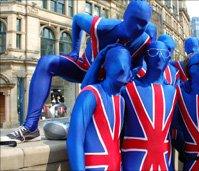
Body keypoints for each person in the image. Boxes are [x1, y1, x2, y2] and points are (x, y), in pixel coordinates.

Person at [3, 0, 152, 143]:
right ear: (125, 16)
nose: (138, 27)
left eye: (143, 23)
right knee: (46, 62)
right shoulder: (102, 26)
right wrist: (74, 51)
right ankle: (31, 126)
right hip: (85, 68)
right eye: (135, 20)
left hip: (109, 83)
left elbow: (138, 62)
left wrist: (134, 70)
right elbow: (77, 19)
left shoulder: (144, 40)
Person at [66, 44, 131, 170]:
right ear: (106, 66)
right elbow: (75, 140)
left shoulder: (121, 101)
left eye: (126, 63)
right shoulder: (90, 95)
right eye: (117, 62)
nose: (122, 68)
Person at [121, 41, 176, 171]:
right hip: (134, 161)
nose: (159, 56)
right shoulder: (128, 88)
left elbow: (176, 128)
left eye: (164, 53)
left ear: (169, 58)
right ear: (145, 57)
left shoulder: (173, 91)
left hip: (163, 161)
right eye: (153, 52)